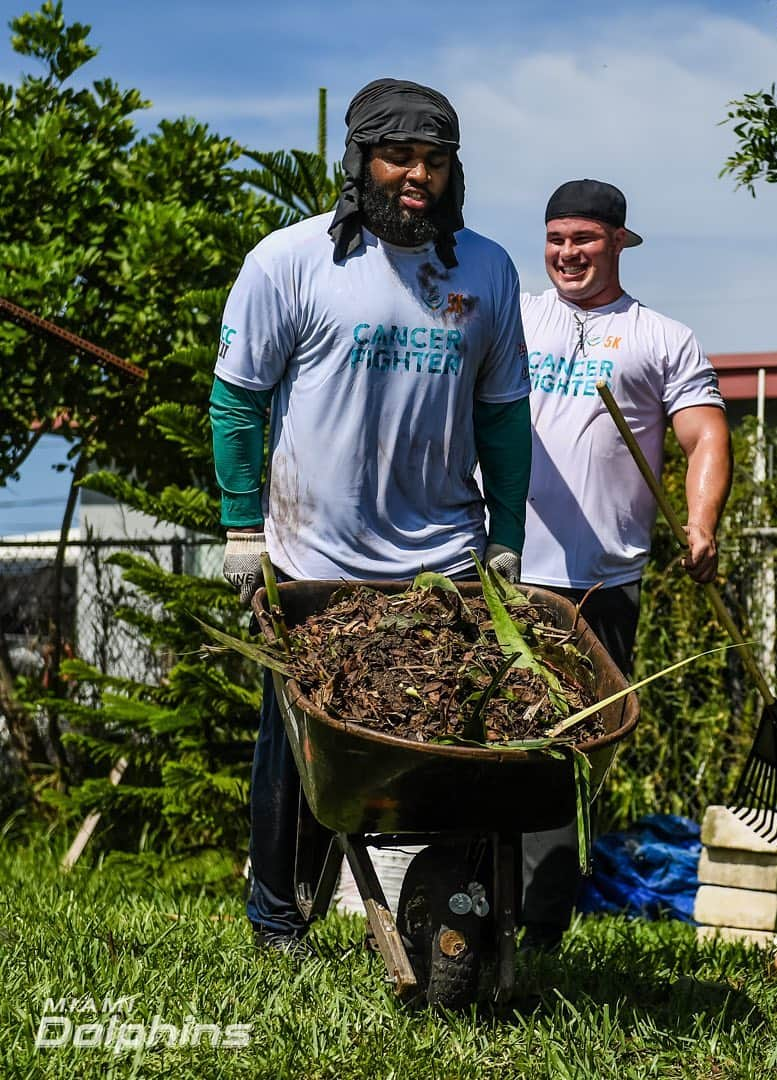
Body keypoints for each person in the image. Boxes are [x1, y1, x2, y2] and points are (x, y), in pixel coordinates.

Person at [209, 79, 531, 955]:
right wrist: (243, 530)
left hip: (443, 557)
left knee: (464, 739)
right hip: (316, 557)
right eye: (399, 157)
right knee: (298, 744)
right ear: (360, 164)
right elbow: (237, 401)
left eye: (434, 160)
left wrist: (507, 536)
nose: (417, 176)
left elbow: (503, 414)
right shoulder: (292, 260)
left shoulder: (487, 270)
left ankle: (458, 909)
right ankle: (277, 915)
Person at [518, 179, 733, 949]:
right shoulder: (511, 320)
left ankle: (538, 932)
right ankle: (469, 907)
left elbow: (705, 436)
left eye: (583, 239)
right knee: (485, 745)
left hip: (598, 585)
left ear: (617, 242)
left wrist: (701, 524)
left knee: (573, 756)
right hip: (500, 572)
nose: (567, 254)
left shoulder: (660, 338)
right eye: (555, 239)